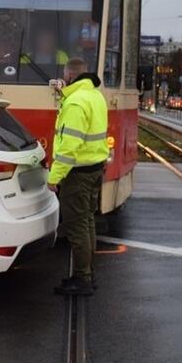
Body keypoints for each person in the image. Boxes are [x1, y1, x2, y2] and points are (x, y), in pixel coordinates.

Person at [47, 57, 109, 296]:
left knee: (76, 226)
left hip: (78, 174)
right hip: (94, 169)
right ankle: (88, 273)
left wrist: (54, 177)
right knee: (88, 221)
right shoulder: (96, 96)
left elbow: (69, 148)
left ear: (69, 75)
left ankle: (82, 279)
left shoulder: (75, 102)